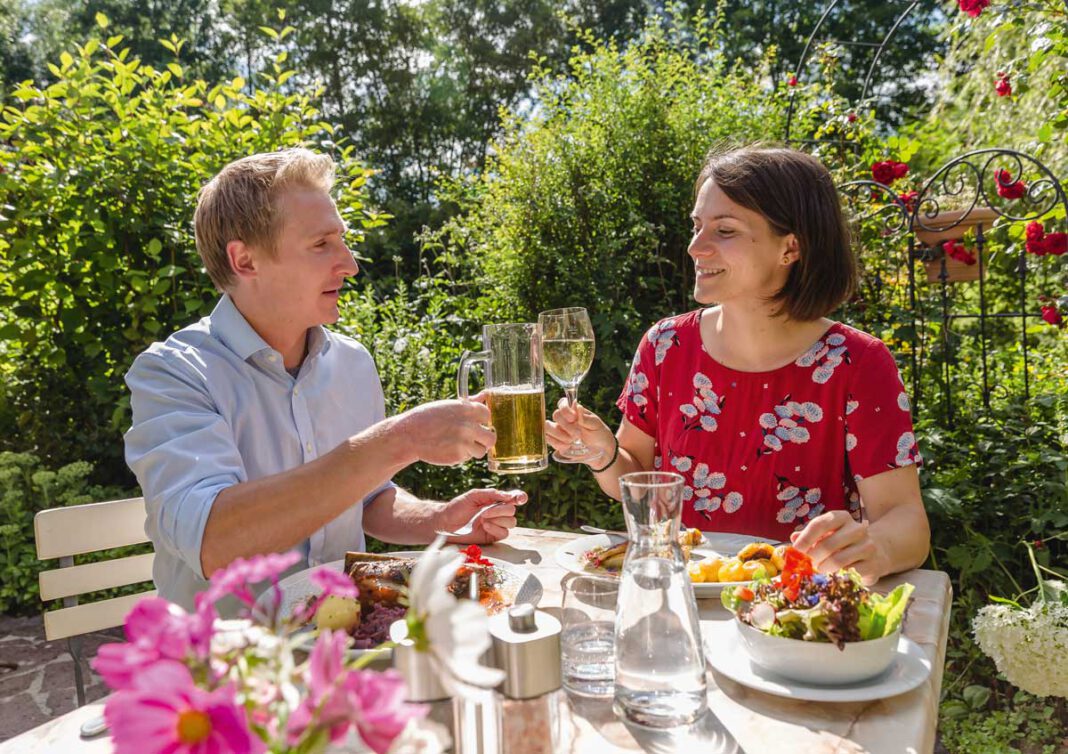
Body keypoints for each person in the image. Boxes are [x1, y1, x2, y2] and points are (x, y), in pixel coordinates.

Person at [124, 148, 523, 610]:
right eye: (321, 244)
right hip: (228, 664)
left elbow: (368, 496)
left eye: (342, 241)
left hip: (340, 647)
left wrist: (439, 518)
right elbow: (215, 542)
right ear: (245, 261)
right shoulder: (173, 372)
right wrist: (401, 439)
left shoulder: (352, 363)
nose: (350, 264)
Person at [546, 146, 929, 584]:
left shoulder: (858, 364)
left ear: (790, 248)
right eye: (697, 226)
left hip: (792, 614)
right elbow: (637, 482)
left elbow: (907, 524)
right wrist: (604, 452)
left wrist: (875, 547)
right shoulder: (664, 346)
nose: (694, 247)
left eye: (724, 230)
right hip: (679, 600)